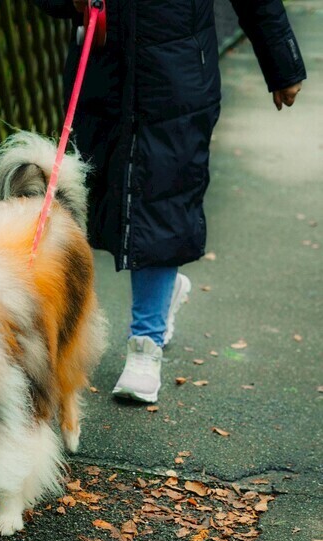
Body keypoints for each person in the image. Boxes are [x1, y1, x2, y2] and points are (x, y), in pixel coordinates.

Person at [33, 0, 306, 403]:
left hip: (177, 77)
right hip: (102, 76)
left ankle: (145, 343)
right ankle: (163, 294)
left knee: (162, 199)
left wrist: (282, 63)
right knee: (99, 204)